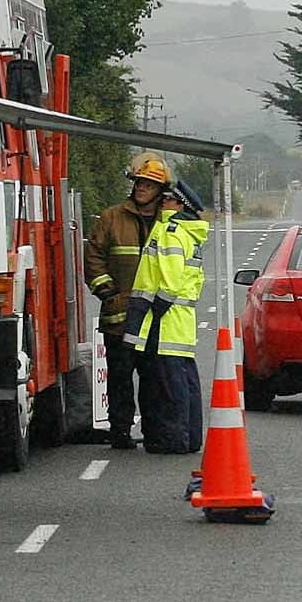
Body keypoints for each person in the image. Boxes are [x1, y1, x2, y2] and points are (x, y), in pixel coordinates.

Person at [86, 154, 171, 449]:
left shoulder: (169, 221)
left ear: (161, 191)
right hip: (119, 316)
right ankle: (119, 431)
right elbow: (94, 257)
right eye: (139, 182)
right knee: (120, 378)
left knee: (154, 380)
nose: (142, 188)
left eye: (149, 184)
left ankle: (153, 431)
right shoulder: (112, 218)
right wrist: (107, 292)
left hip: (155, 318)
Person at [124, 180, 210, 454]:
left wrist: (155, 309)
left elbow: (170, 280)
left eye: (168, 199)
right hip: (179, 322)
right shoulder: (186, 232)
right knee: (184, 382)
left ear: (178, 205)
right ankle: (187, 438)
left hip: (164, 322)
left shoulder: (171, 232)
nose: (162, 202)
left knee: (167, 386)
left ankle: (172, 440)